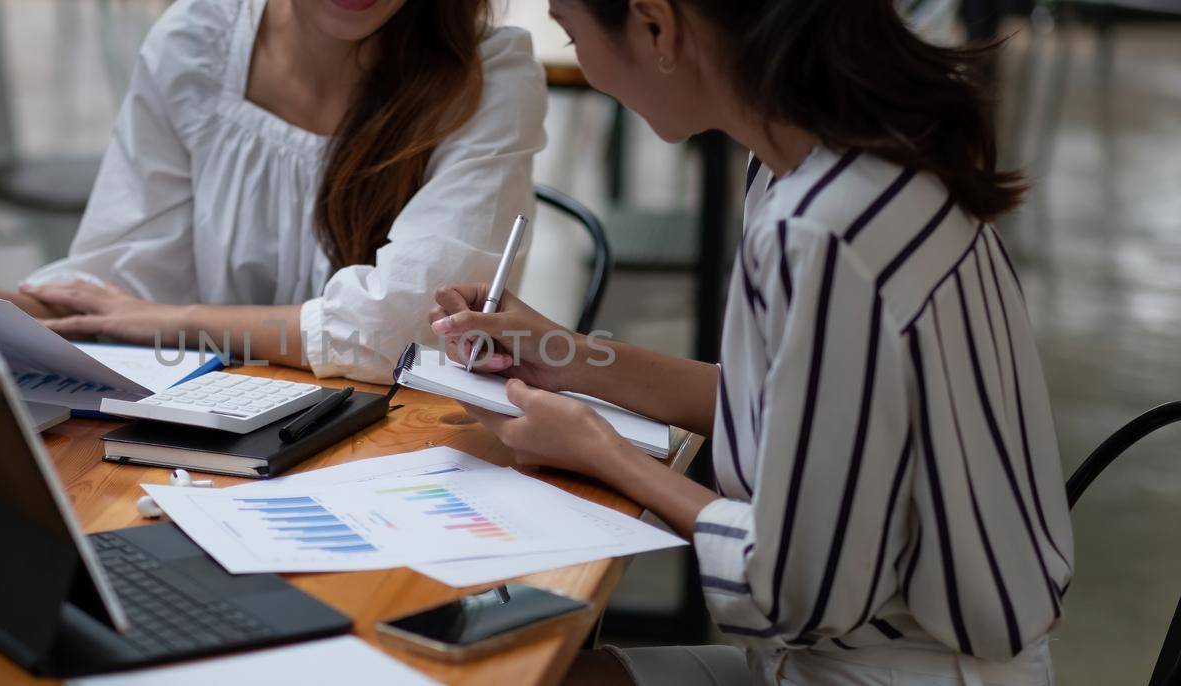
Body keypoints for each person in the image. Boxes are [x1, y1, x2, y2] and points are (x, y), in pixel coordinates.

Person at [429, 0, 1071, 684]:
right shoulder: (832, 158)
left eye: (572, 31)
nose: (582, 60)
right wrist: (567, 356)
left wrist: (602, 452)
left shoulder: (819, 229)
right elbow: (788, 410)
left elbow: (795, 590)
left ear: (656, 25)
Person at [0, 0, 545, 384]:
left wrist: (179, 321)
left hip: (403, 439)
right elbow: (122, 290)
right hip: (214, 422)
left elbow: (399, 329)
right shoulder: (196, 42)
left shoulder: (489, 74)